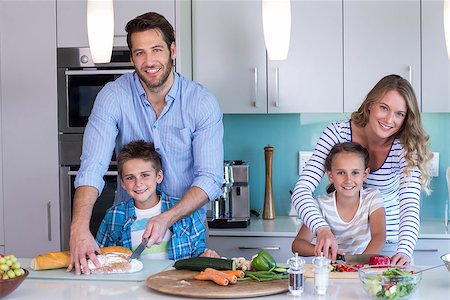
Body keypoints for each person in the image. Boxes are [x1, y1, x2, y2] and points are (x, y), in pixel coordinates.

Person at [69, 12, 223, 274]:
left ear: (172, 50)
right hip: (131, 223)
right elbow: (92, 166)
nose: (149, 61)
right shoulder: (113, 96)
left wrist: (166, 217)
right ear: (131, 58)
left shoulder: (201, 102)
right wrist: (79, 228)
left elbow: (209, 178)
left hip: (186, 223)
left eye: (156, 49)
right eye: (139, 52)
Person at [291, 74, 433, 266]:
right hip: (343, 245)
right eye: (384, 108)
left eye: (400, 114)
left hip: (390, 246)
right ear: (369, 105)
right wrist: (321, 229)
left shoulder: (406, 147)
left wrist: (405, 250)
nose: (390, 119)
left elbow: (409, 207)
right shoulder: (336, 134)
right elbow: (301, 192)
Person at [96, 140, 219, 260]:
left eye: (145, 175)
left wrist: (206, 257)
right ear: (122, 183)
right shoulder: (114, 215)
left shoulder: (186, 211)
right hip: (133, 281)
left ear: (158, 177)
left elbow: (198, 252)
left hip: (176, 281)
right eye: (130, 178)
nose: (138, 183)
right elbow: (100, 256)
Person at [292, 142, 386, 257]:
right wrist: (326, 252)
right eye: (341, 173)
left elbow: (379, 236)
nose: (348, 179)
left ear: (365, 174)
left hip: (363, 268)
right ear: (330, 175)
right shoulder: (321, 205)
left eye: (355, 172)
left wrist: (359, 262)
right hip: (331, 270)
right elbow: (298, 244)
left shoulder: (372, 198)